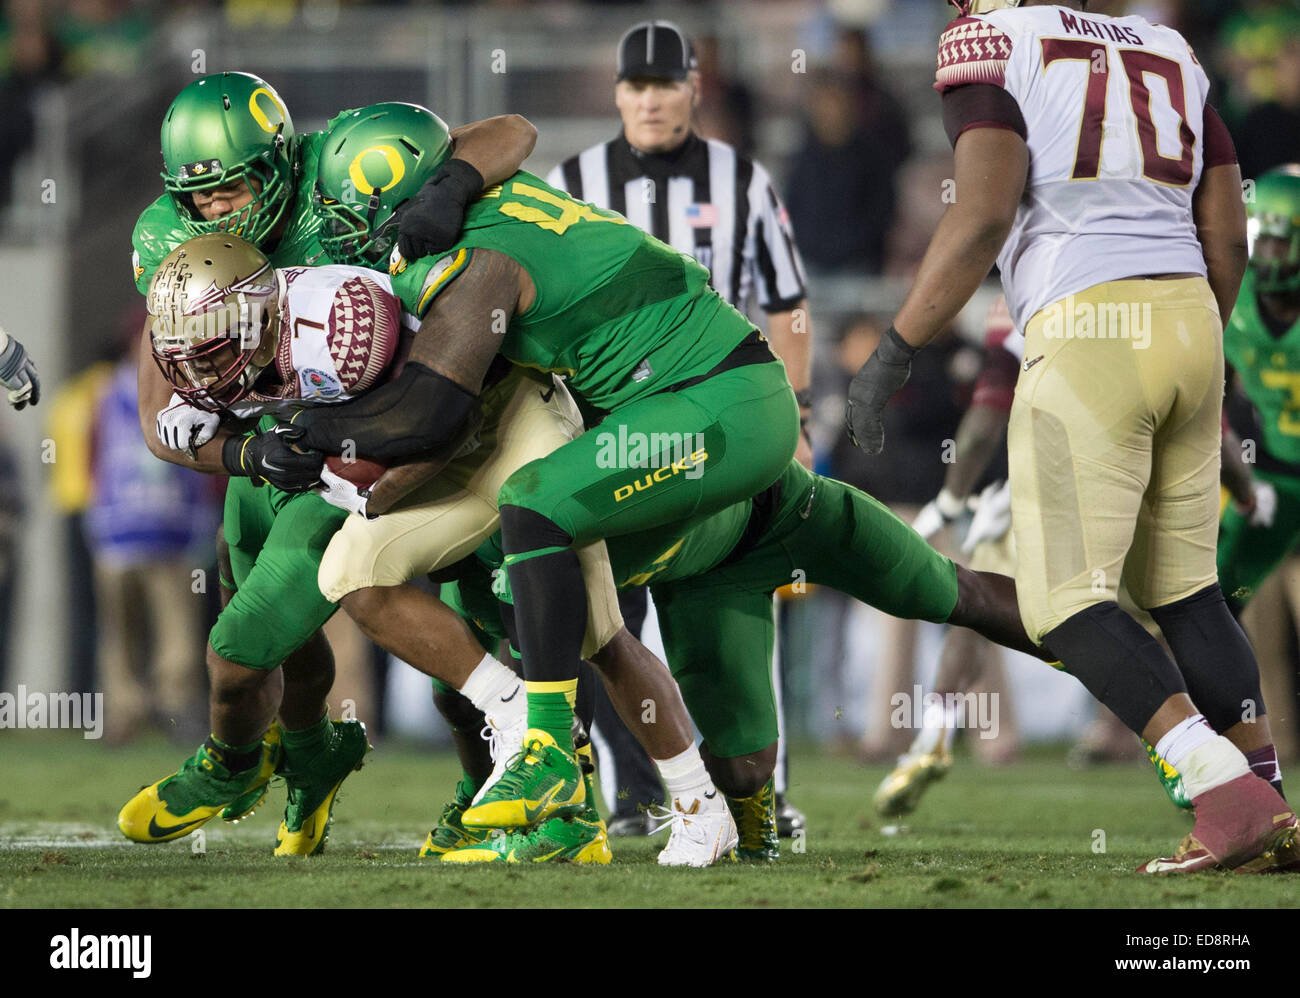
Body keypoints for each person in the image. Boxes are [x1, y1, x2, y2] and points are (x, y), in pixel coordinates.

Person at [274, 101, 810, 864]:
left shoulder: (475, 258)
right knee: (354, 571)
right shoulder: (456, 193)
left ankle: (628, 785)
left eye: (350, 209)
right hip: (563, 401)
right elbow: (511, 129)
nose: (339, 227)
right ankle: (526, 722)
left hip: (616, 402)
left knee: (575, 601)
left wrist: (309, 437)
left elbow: (427, 413)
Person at [846, 0, 1296, 873]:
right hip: (1192, 320)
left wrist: (896, 346)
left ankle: (1224, 794)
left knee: (1065, 602)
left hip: (1090, 329)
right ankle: (1268, 802)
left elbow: (980, 215)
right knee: (1186, 592)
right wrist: (1207, 330)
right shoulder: (1166, 45)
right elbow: (1227, 228)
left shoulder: (990, 41)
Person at [120, 73, 536, 855]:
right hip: (267, 449)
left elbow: (512, 130)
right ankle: (310, 757)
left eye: (232, 188)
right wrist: (246, 452)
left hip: (385, 436)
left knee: (241, 650)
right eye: (197, 197)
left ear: (277, 162)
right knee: (280, 646)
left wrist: (447, 187)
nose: (215, 211)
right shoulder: (166, 239)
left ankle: (237, 763)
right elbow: (159, 419)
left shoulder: (346, 165)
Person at [433, 456, 1051, 862]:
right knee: (746, 770)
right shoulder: (514, 554)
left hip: (795, 508)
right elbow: (563, 657)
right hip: (708, 580)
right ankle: (745, 835)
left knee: (953, 592)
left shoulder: (573, 467)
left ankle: (1086, 642)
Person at [544, 18, 812, 844]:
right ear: (618, 93)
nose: (652, 100)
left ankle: (764, 794)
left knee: (733, 602)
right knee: (601, 605)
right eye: (637, 86)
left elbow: (788, 303)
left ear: (695, 87)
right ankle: (631, 792)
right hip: (612, 421)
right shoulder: (572, 180)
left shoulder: (741, 178)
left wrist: (793, 418)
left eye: (666, 84)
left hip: (723, 416)